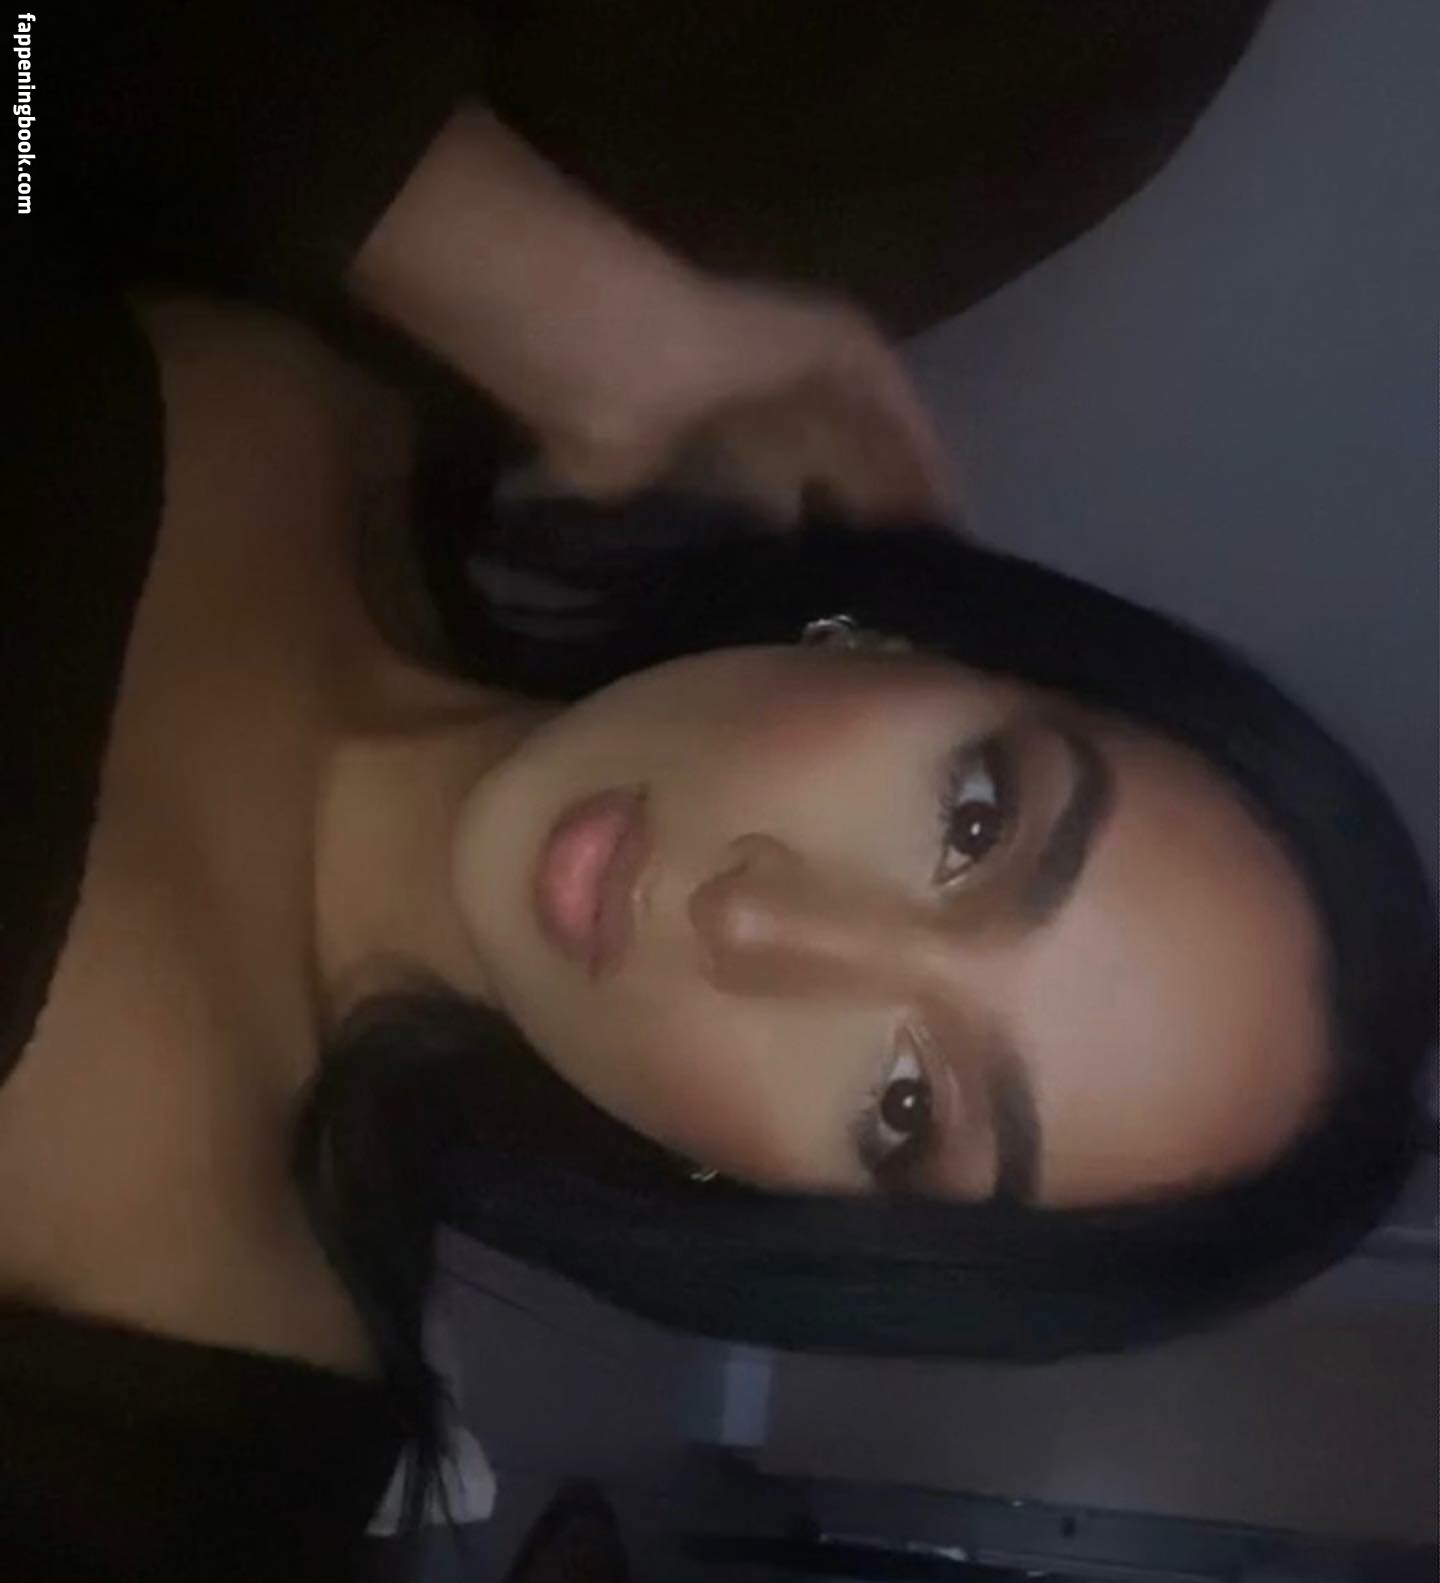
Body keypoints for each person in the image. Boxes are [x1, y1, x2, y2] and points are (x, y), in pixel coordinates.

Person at [9, 1, 1432, 1577]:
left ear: (781, 1213)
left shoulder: (175, 1433)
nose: (757, 918)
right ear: (897, 641)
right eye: (973, 822)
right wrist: (477, 254)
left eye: (904, 1110)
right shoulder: (352, 368)